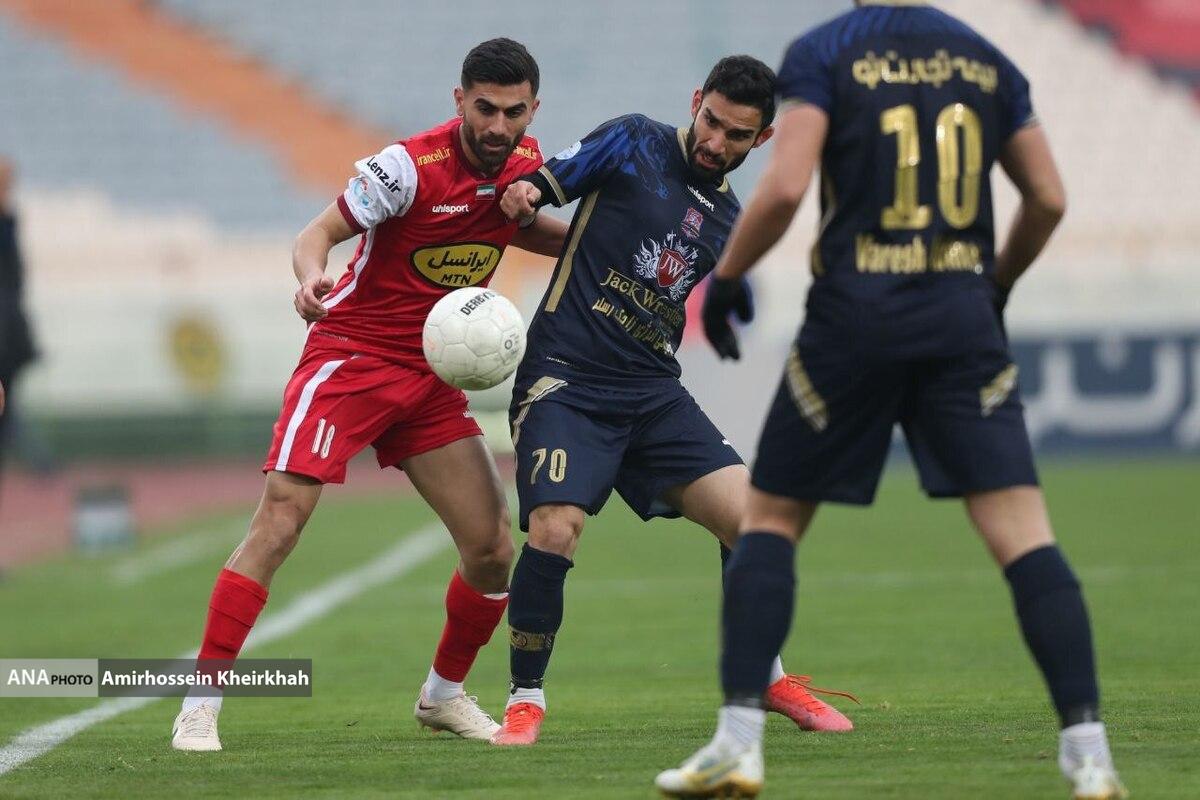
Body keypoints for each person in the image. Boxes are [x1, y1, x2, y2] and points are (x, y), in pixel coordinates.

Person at [657, 3, 1126, 799]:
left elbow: (786, 185)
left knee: (770, 521)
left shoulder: (827, 50)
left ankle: (739, 746)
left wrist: (729, 275)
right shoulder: (986, 59)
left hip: (854, 321)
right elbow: (1046, 197)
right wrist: (996, 286)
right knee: (1024, 537)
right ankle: (1090, 756)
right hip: (960, 323)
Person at [170, 38, 570, 752]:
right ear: (459, 101)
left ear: (532, 109)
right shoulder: (407, 167)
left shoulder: (527, 169)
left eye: (513, 112)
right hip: (351, 357)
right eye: (484, 108)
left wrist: (587, 247)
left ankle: (442, 697)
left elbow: (521, 225)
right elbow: (315, 233)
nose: (497, 126)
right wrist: (308, 277)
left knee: (491, 548)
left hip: (430, 374)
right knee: (282, 520)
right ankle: (200, 703)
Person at [488, 56, 857, 748]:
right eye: (711, 120)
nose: (717, 141)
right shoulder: (633, 141)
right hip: (566, 378)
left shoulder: (729, 220)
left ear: (762, 139)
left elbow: (721, 296)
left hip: (652, 393)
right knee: (557, 526)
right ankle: (525, 700)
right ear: (696, 101)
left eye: (737, 134)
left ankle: (764, 678)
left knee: (756, 523)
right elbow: (547, 181)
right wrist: (527, 194)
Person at [0, 158, 37, 498]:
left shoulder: (8, 221)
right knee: (8, 413)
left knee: (7, 409)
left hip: (7, 329)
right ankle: (42, 464)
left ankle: (41, 463)